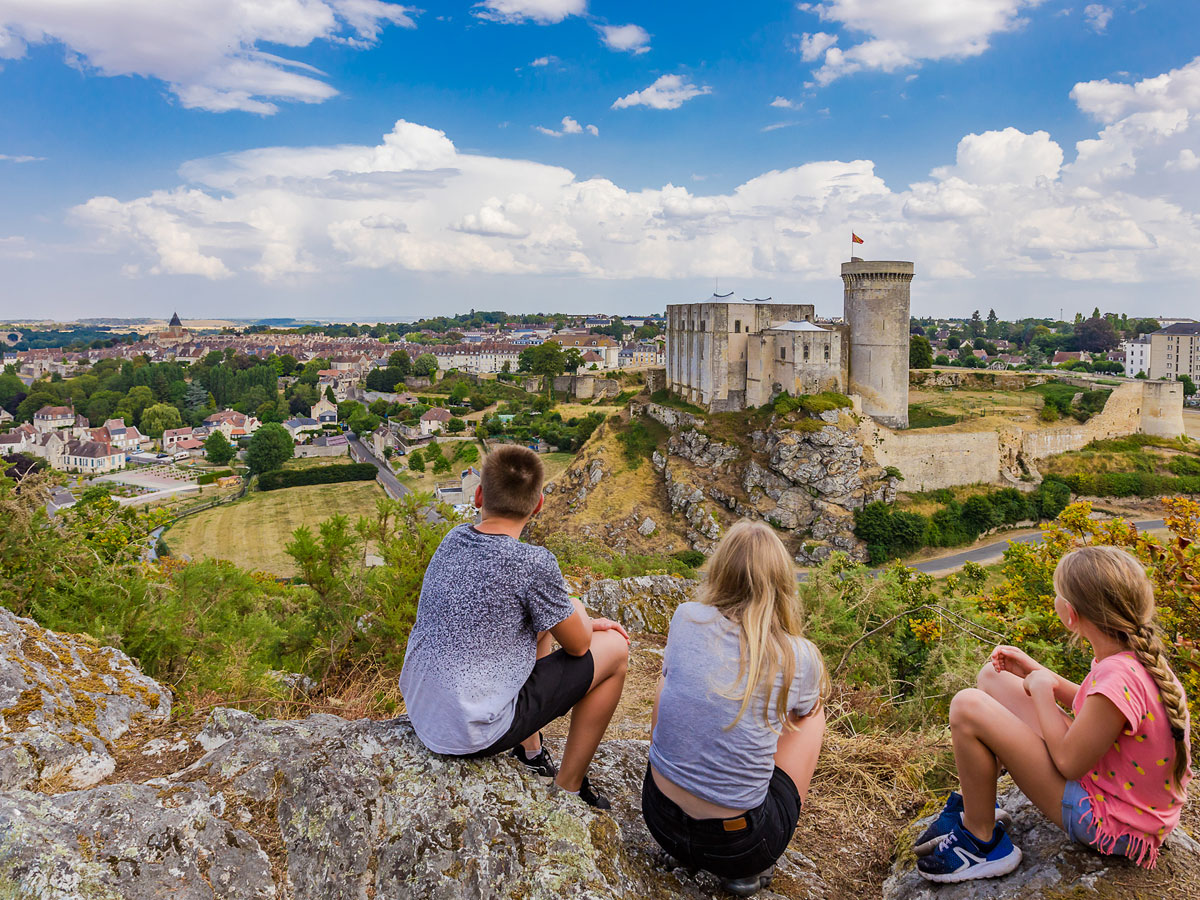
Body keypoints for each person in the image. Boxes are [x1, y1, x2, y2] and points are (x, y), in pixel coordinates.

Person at [917, 545, 1192, 883]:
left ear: (1070, 613)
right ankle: (979, 802)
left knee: (966, 706)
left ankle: (980, 842)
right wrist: (1038, 673)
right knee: (994, 677)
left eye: (1058, 593)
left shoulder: (1117, 675)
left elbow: (1068, 763)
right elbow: (1098, 711)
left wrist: (1044, 691)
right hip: (1114, 791)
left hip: (1107, 822)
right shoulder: (1130, 658)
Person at [399, 444, 630, 808]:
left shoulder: (452, 539)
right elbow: (580, 646)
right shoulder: (533, 563)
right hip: (471, 733)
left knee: (541, 624)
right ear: (537, 505)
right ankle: (568, 788)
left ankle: (531, 751)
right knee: (616, 650)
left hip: (425, 714)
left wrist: (560, 616)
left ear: (478, 495)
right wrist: (576, 607)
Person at [642, 521, 828, 897]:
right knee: (812, 714)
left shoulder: (685, 616)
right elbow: (799, 715)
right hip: (739, 845)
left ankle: (685, 801)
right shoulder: (798, 655)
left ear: (720, 570)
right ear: (781, 582)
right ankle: (749, 871)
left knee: (666, 679)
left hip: (659, 818)